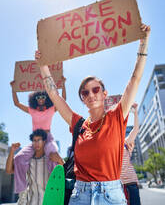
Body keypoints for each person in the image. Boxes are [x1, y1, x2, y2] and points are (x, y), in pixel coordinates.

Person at [35, 24, 150, 205]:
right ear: (83, 99)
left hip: (110, 196)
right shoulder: (78, 124)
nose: (91, 95)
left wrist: (143, 42)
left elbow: (135, 78)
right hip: (79, 195)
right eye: (85, 93)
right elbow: (54, 95)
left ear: (104, 94)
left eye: (95, 89)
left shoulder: (117, 116)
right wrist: (43, 67)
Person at [10, 77, 66, 194]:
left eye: (43, 97)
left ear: (46, 99)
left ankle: (54, 187)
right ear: (35, 99)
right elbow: (16, 103)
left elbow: (63, 99)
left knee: (53, 155)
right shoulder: (32, 111)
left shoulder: (51, 109)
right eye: (39, 97)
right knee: (18, 158)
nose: (41, 99)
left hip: (48, 138)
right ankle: (22, 190)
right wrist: (13, 88)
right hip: (36, 140)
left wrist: (63, 84)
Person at [6, 129, 65, 205]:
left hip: (48, 201)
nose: (36, 143)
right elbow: (9, 170)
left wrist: (60, 160)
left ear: (44, 142)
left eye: (39, 140)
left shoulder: (51, 160)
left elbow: (65, 172)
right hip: (30, 202)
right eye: (34, 140)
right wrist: (12, 151)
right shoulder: (27, 161)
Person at [120, 103, 141, 205]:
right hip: (115, 187)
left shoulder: (125, 143)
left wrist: (135, 113)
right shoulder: (106, 146)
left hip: (130, 184)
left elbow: (136, 129)